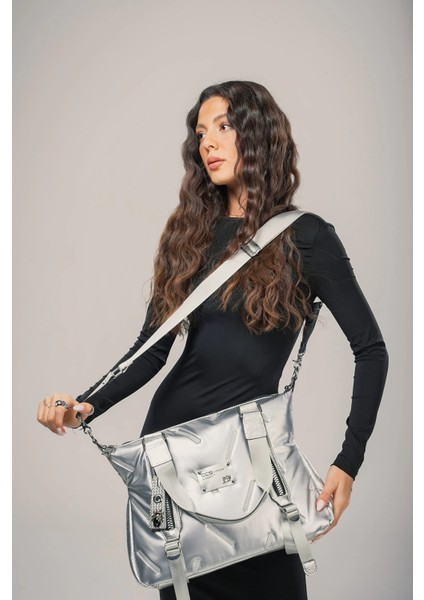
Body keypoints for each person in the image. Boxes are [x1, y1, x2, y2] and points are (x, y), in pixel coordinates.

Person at [37, 80, 389, 600]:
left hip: (253, 461)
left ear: (259, 134)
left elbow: (371, 350)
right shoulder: (190, 237)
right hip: (174, 460)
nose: (208, 143)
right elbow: (150, 350)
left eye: (224, 126)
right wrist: (85, 405)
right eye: (201, 133)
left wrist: (348, 461)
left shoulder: (307, 236)